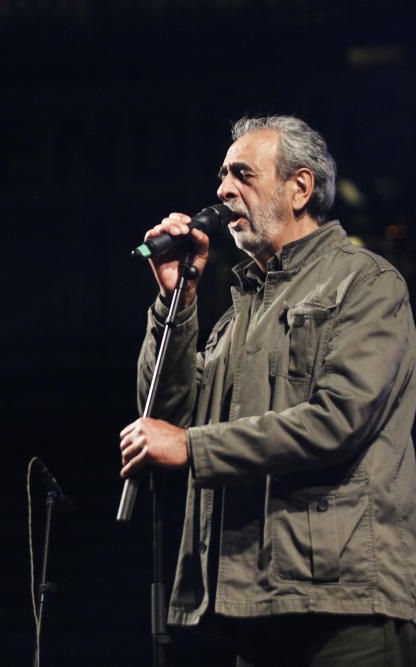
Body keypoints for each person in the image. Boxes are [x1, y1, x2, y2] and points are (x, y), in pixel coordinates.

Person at [119, 115, 416, 665]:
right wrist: (175, 303)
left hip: (343, 600)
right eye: (221, 177)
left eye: (242, 175)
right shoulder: (239, 313)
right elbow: (166, 412)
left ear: (299, 187)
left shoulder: (366, 283)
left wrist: (194, 447)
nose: (223, 190)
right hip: (254, 602)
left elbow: (338, 421)